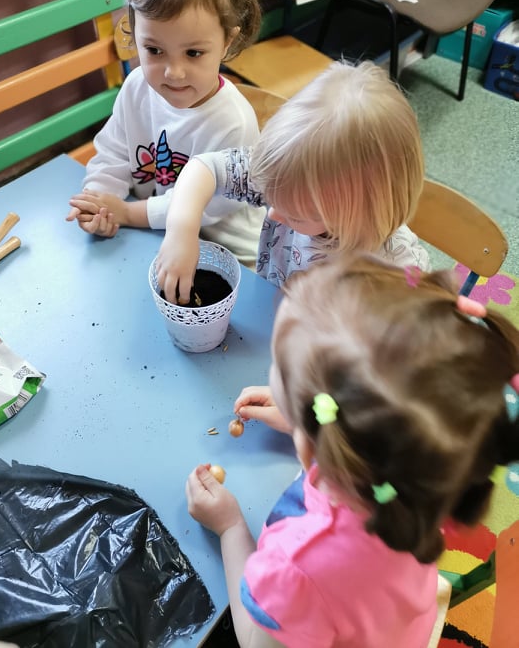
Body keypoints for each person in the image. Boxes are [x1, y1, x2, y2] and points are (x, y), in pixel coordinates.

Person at [185, 253, 519, 648]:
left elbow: (254, 640)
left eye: (278, 370)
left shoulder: (298, 569)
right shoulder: (429, 473)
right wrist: (305, 422)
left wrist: (230, 528)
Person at [155, 60, 430, 304]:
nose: (272, 215)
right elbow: (205, 169)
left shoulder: (394, 274)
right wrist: (182, 231)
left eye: (295, 216)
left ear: (352, 216)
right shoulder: (288, 179)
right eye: (271, 200)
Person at [66, 0, 265, 267]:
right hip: (155, 238)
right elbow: (114, 152)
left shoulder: (234, 123)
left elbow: (203, 208)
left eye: (193, 53)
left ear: (227, 42)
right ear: (134, 33)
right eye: (154, 50)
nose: (174, 72)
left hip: (234, 259)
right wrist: (100, 202)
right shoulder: (136, 88)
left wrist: (126, 213)